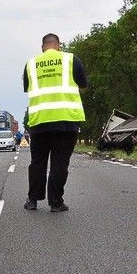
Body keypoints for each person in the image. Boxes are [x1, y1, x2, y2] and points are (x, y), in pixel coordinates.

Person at [22, 33, 87, 212]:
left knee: (38, 162)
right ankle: (56, 203)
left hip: (40, 121)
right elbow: (83, 85)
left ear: (43, 47)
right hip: (66, 121)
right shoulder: (71, 59)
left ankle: (32, 201)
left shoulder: (31, 64)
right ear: (59, 46)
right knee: (60, 163)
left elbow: (27, 88)